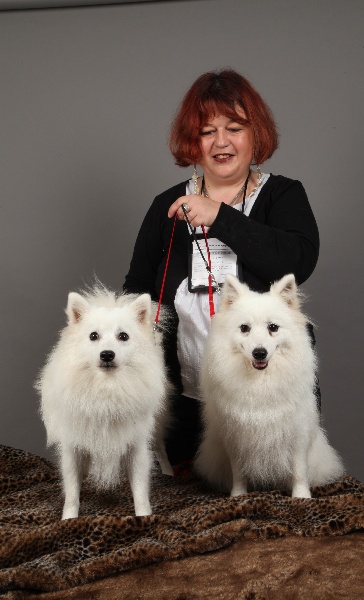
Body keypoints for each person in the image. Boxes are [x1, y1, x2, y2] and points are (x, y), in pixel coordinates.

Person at [123, 69, 319, 468]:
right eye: (207, 131)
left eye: (234, 128)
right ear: (192, 142)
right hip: (184, 397)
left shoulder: (283, 195)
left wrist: (219, 216)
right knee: (188, 495)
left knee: (271, 492)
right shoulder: (167, 205)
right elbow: (137, 289)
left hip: (269, 401)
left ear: (256, 135)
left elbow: (297, 261)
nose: (221, 142)